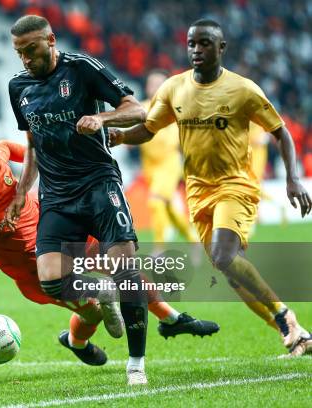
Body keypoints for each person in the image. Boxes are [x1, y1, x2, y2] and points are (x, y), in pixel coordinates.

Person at [0, 140, 218, 369]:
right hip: (42, 276)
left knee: (128, 274)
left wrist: (51, 163)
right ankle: (77, 340)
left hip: (65, 236)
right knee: (95, 311)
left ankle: (173, 320)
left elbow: (21, 150)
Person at [109, 19, 312, 357]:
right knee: (231, 272)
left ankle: (283, 315)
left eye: (204, 44)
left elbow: (281, 131)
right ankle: (296, 334)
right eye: (191, 44)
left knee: (224, 256)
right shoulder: (174, 88)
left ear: (221, 48)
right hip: (197, 191)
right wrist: (120, 136)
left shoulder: (242, 89)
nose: (196, 50)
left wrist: (292, 177)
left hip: (235, 184)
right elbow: (148, 128)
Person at [5, 15, 149, 385]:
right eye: (19, 52)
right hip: (56, 195)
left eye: (31, 49)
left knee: (127, 274)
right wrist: (23, 189)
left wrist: (102, 118)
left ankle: (136, 364)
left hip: (99, 185)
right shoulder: (17, 87)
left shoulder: (82, 68)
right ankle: (100, 291)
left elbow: (138, 110)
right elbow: (34, 142)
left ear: (50, 40)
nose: (25, 59)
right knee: (50, 279)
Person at [139, 70, 197, 248]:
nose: (155, 87)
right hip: (149, 165)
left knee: (156, 201)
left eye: (159, 84)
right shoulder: (140, 107)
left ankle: (159, 248)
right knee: (169, 207)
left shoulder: (177, 108)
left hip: (169, 163)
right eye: (152, 84)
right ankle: (194, 241)